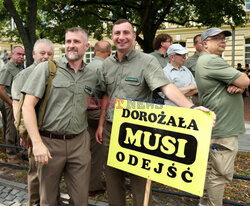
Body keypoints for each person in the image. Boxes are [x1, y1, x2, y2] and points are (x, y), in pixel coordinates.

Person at [95, 19, 216, 206]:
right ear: (112, 37)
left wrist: (191, 108)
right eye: (117, 33)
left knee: (140, 185)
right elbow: (105, 95)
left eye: (126, 33)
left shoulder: (147, 61)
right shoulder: (106, 65)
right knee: (113, 182)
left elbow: (167, 88)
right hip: (111, 130)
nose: (121, 37)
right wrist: (101, 125)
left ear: (134, 37)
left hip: (138, 132)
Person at [22, 27, 96, 206]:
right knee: (48, 199)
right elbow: (27, 105)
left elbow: (99, 100)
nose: (71, 46)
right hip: (49, 144)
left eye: (76, 42)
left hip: (79, 144)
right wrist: (37, 143)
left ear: (86, 46)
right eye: (68, 41)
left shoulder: (92, 75)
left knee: (80, 200)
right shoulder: (47, 69)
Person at [196, 27, 249, 206]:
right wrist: (241, 83)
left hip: (217, 126)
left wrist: (240, 85)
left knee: (211, 171)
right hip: (223, 129)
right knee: (219, 175)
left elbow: (240, 83)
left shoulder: (211, 60)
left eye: (224, 38)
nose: (223, 41)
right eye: (216, 38)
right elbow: (245, 79)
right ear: (205, 44)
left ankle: (204, 203)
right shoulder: (211, 60)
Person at [11, 39, 54, 206]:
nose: (46, 57)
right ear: (34, 54)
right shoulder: (24, 75)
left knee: (50, 172)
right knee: (36, 172)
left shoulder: (54, 72)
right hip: (32, 131)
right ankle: (34, 203)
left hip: (51, 131)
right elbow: (17, 105)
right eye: (42, 53)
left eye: (49, 54)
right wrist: (23, 132)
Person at [87, 40, 111, 195]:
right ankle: (96, 185)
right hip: (99, 112)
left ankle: (88, 184)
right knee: (100, 150)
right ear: (109, 54)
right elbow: (108, 93)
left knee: (90, 149)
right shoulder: (107, 66)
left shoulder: (86, 65)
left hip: (84, 112)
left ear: (94, 52)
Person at [0, 46, 25, 163]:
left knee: (19, 126)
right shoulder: (8, 68)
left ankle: (18, 150)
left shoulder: (20, 67)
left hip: (19, 101)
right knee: (11, 127)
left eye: (23, 55)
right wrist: (10, 103)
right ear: (12, 54)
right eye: (18, 54)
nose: (21, 57)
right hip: (9, 101)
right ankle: (10, 155)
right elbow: (0, 89)